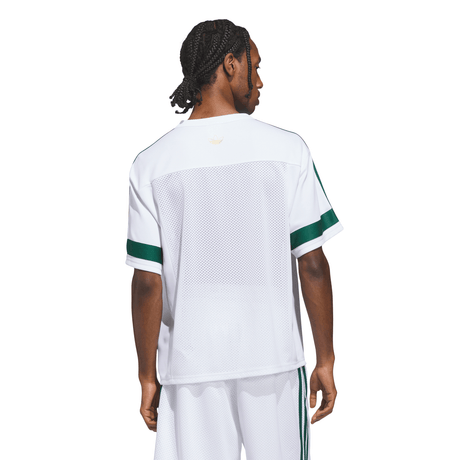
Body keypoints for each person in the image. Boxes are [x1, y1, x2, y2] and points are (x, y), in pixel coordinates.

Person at [125, 19, 343, 460]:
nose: (259, 82)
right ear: (230, 64)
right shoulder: (287, 151)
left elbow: (147, 282)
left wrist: (147, 375)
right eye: (255, 67)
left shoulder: (151, 165)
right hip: (274, 359)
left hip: (190, 364)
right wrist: (326, 359)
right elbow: (312, 263)